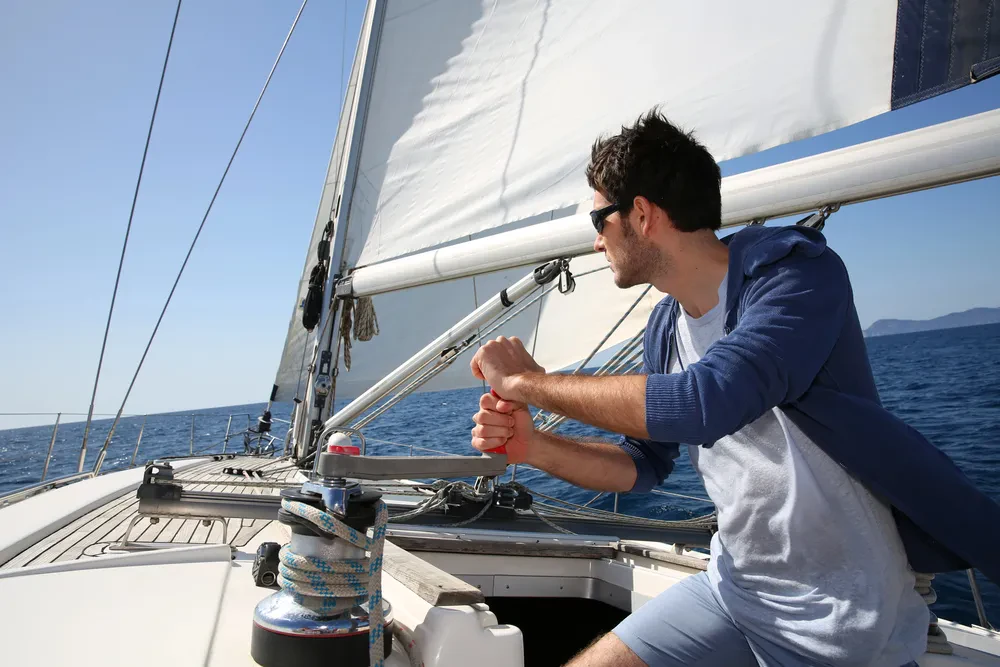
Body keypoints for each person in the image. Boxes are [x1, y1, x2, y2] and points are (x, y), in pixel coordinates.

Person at [469, 109, 1000, 667]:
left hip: (841, 619)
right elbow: (642, 465)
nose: (597, 242)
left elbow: (708, 401)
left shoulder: (795, 276)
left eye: (599, 220)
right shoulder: (665, 327)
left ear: (642, 215)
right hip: (733, 590)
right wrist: (534, 448)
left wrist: (527, 383)